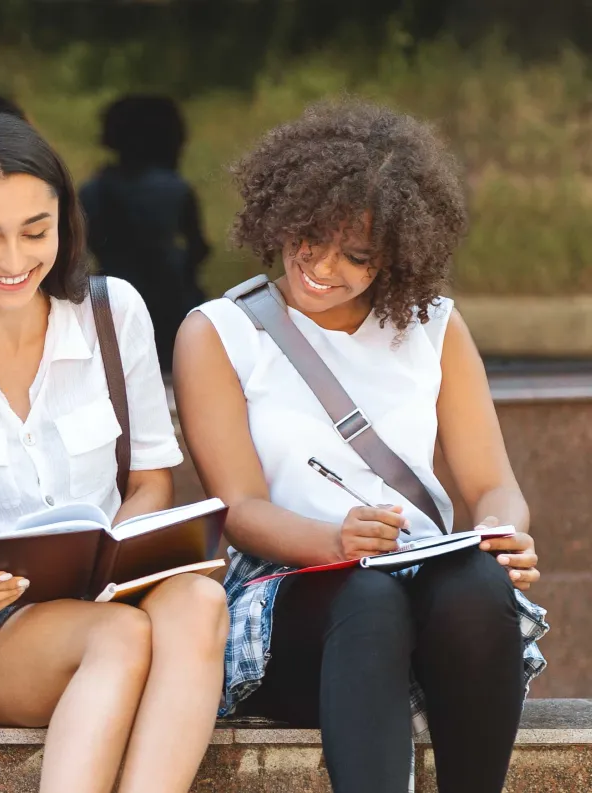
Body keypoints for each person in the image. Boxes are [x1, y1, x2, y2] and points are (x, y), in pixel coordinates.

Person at [174, 101, 546, 793]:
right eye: (309, 238)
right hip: (292, 599)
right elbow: (240, 509)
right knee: (368, 594)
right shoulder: (220, 333)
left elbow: (492, 483)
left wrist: (502, 533)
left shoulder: (435, 326)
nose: (322, 267)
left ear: (398, 255)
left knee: (477, 586)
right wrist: (333, 542)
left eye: (357, 256)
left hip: (424, 587)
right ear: (281, 215)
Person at [0, 112, 226, 793]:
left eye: (35, 231)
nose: (14, 260)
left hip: (115, 595)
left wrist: (117, 551)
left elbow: (150, 482)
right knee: (119, 636)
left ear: (63, 220)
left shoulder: (114, 314)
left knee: (199, 601)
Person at [81, 95, 209, 372]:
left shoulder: (92, 192)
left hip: (110, 302)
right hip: (171, 303)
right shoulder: (174, 189)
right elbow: (198, 248)